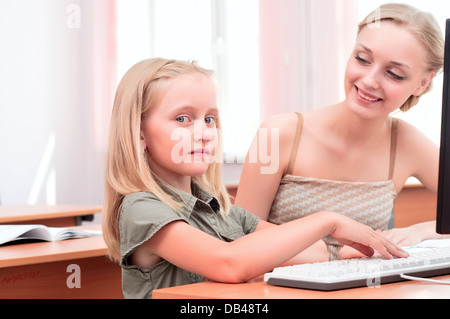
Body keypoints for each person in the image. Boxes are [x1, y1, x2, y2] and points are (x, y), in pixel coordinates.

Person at [101, 57, 406, 298]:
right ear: (139, 134)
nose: (204, 133)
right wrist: (329, 220)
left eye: (209, 119)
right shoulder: (141, 208)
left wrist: (371, 250)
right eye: (183, 119)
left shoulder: (221, 210)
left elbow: (309, 252)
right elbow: (229, 263)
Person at [235, 3, 450, 260]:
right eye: (362, 58)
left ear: (423, 83)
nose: (370, 81)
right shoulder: (277, 133)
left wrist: (423, 231)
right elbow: (240, 237)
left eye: (393, 74)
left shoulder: (406, 143)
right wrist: (330, 255)